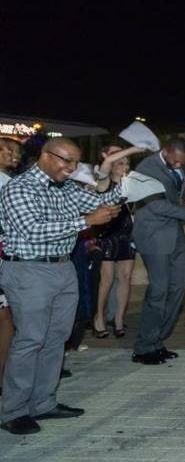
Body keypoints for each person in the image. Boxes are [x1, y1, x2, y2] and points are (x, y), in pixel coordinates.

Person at [0, 139, 123, 435]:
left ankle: (43, 402)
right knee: (30, 339)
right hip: (28, 269)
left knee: (57, 338)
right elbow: (31, 229)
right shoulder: (18, 188)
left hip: (63, 267)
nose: (71, 168)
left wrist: (112, 182)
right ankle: (13, 410)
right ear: (45, 156)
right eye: (66, 161)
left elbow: (100, 202)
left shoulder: (66, 187)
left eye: (75, 163)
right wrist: (85, 221)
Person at [132, 137, 185, 365]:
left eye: (183, 161)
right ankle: (143, 347)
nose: (179, 165)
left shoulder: (174, 166)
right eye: (176, 161)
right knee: (159, 291)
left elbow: (175, 197)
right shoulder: (146, 168)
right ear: (166, 151)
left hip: (174, 236)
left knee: (178, 289)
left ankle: (157, 341)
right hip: (154, 237)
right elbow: (157, 205)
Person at [92, 147, 144, 339]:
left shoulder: (131, 185)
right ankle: (99, 318)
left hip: (127, 233)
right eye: (121, 163)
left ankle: (119, 319)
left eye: (127, 164)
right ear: (112, 166)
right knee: (106, 280)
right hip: (108, 233)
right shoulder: (104, 183)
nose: (125, 167)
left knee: (125, 279)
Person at [0, 138, 22, 393]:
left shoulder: (10, 181)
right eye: (9, 150)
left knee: (7, 317)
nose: (15, 155)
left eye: (18, 152)